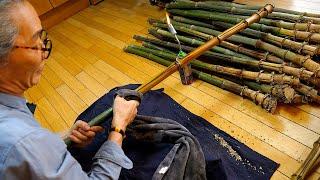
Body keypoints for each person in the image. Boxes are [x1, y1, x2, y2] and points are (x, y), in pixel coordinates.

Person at [0, 0, 139, 179]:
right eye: (35, 43)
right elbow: (27, 148)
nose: (44, 50)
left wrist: (62, 138)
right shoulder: (25, 141)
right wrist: (118, 129)